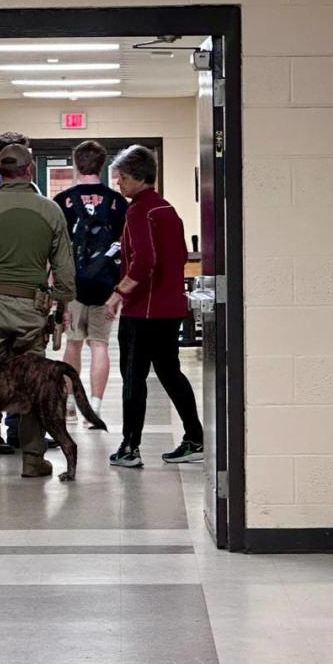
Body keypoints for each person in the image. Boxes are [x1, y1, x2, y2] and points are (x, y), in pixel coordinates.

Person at [0, 144, 75, 478]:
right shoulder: (50, 211)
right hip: (32, 311)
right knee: (32, 382)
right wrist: (61, 302)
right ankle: (33, 458)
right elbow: (64, 268)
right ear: (30, 170)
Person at [103, 145, 204, 468]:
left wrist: (119, 293)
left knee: (134, 377)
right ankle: (194, 437)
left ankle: (130, 447)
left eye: (123, 178)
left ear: (139, 177)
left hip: (144, 311)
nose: (118, 183)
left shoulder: (139, 211)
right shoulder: (166, 209)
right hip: (171, 307)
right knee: (169, 371)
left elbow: (145, 262)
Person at [53, 140, 128, 425]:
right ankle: (94, 406)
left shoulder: (63, 201)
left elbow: (56, 247)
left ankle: (71, 402)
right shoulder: (118, 202)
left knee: (73, 344)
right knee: (100, 344)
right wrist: (119, 291)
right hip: (106, 283)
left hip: (72, 284)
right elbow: (126, 247)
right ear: (103, 165)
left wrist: (55, 288)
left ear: (75, 164)